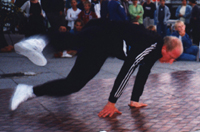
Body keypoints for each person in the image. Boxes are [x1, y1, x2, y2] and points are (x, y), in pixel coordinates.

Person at [11, 19, 183, 118]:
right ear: (164, 49)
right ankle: (37, 42)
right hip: (101, 31)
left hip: (103, 48)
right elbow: (128, 70)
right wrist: (111, 102)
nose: (171, 62)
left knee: (73, 84)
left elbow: (143, 72)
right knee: (75, 40)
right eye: (172, 57)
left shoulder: (154, 52)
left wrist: (134, 99)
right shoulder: (151, 45)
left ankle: (28, 91)